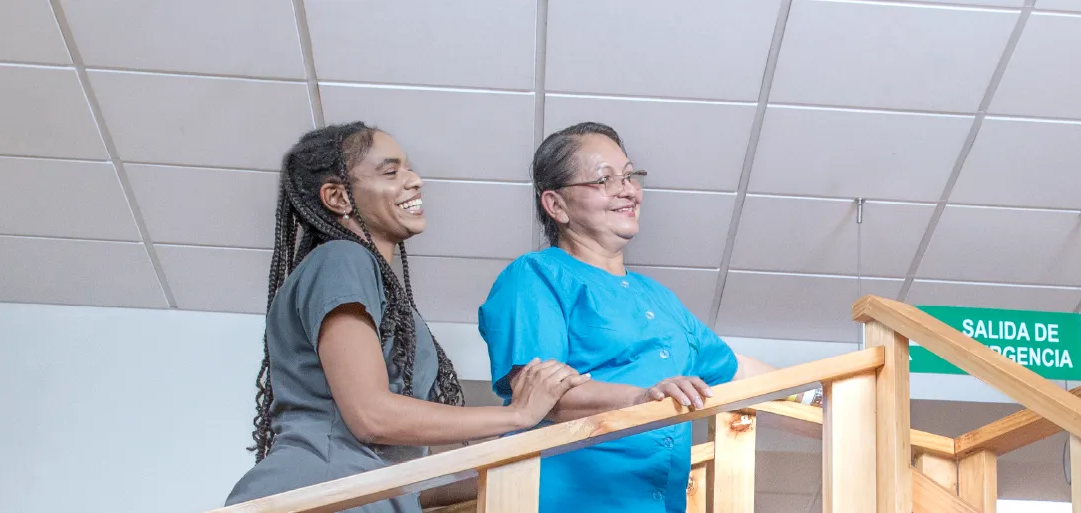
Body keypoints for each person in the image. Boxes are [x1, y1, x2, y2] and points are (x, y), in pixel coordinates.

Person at [226, 122, 589, 512]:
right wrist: (519, 415)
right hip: (315, 491)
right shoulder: (342, 259)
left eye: (410, 169)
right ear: (337, 196)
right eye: (391, 171)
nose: (415, 180)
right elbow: (371, 415)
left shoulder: (382, 292)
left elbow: (402, 477)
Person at [478, 122, 775, 513]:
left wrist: (828, 394)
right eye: (604, 179)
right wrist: (643, 398)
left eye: (631, 175)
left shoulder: (658, 297)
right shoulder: (536, 275)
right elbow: (540, 395)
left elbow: (734, 371)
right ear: (557, 205)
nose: (628, 189)